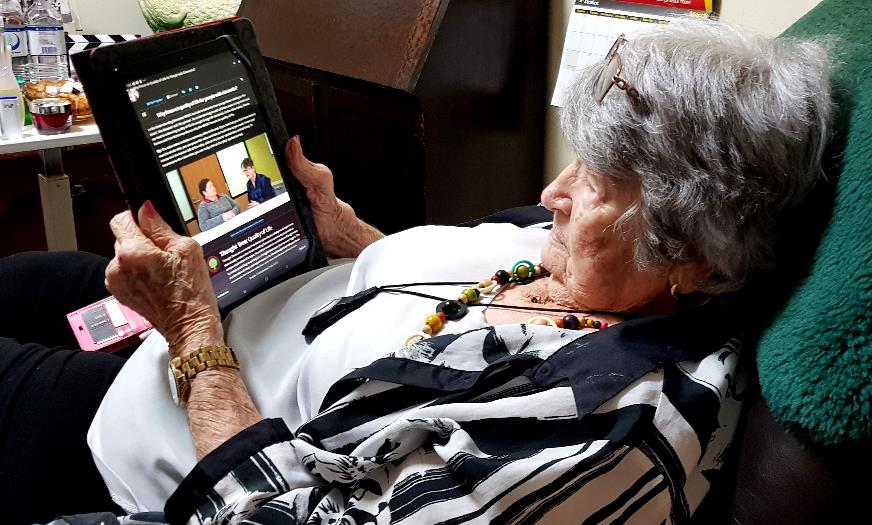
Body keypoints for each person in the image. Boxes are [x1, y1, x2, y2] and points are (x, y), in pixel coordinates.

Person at [0, 21, 832, 525]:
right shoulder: (600, 265)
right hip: (259, 303)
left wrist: (190, 331)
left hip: (173, 417)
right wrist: (348, 236)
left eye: (598, 185)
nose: (553, 193)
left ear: (698, 252)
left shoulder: (604, 431)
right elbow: (458, 294)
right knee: (33, 277)